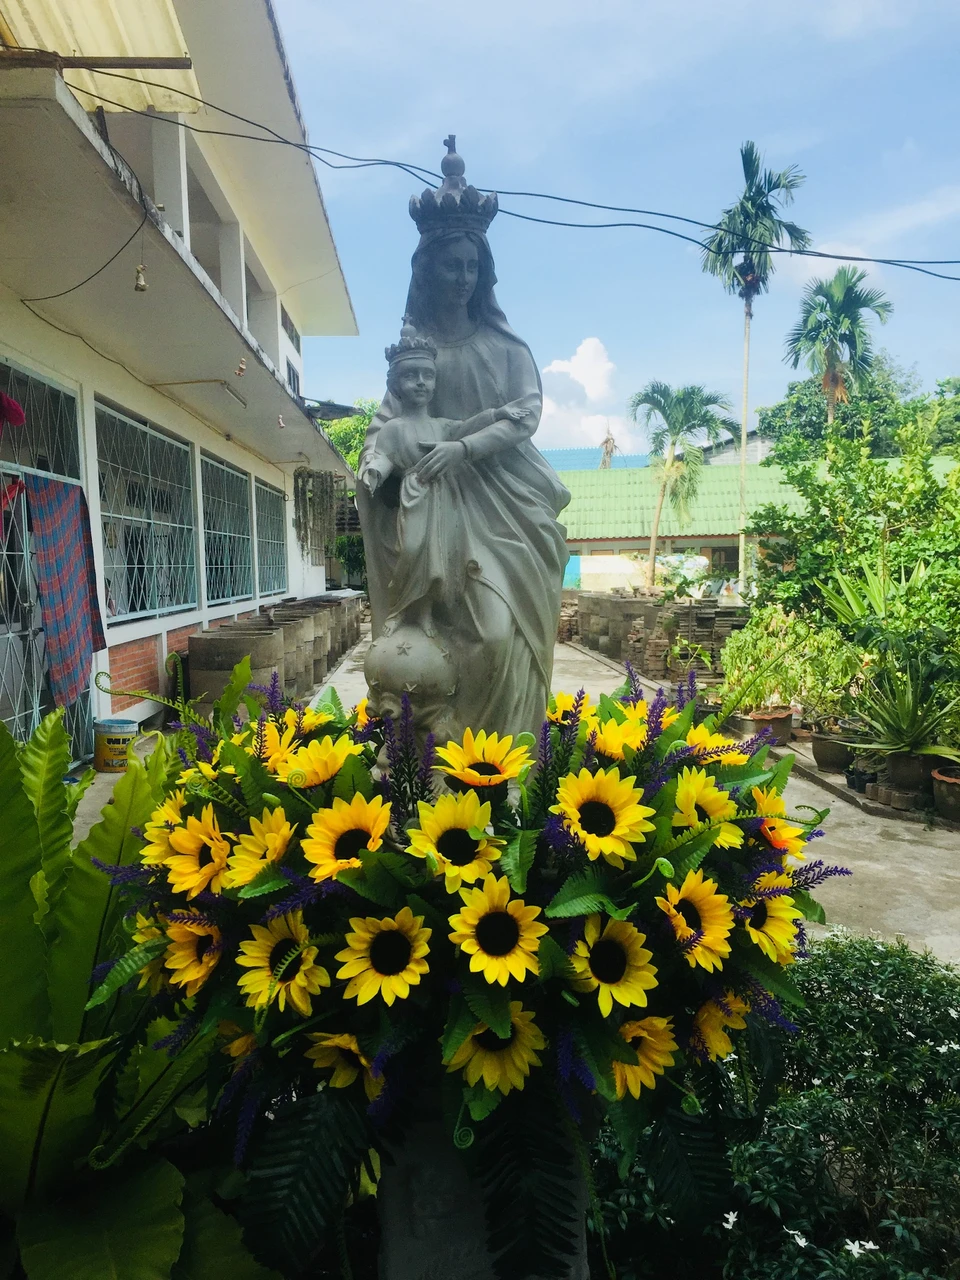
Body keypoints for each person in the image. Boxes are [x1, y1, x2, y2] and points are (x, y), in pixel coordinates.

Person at [357, 139, 569, 738]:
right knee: (445, 639)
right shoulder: (414, 356)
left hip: (505, 509)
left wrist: (464, 448)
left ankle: (504, 761)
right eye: (452, 266)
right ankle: (436, 759)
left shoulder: (505, 348)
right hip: (435, 514)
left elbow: (524, 414)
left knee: (499, 634)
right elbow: (384, 429)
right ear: (428, 269)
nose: (463, 278)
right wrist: (378, 468)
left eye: (473, 267)